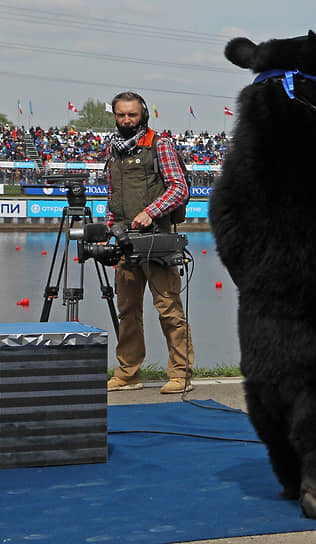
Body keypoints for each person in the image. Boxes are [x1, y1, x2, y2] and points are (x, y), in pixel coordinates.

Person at [105, 91, 195, 394]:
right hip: (124, 240)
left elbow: (179, 189)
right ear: (115, 116)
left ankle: (180, 374)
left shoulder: (161, 144)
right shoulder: (112, 149)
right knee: (127, 311)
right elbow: (113, 196)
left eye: (132, 114)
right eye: (121, 115)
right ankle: (128, 373)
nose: (127, 120)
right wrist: (109, 227)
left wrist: (150, 211)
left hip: (158, 239)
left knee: (169, 308)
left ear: (143, 114)